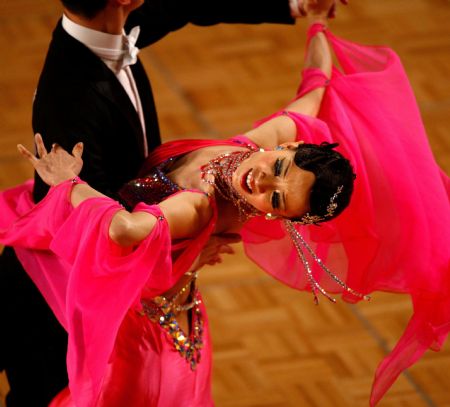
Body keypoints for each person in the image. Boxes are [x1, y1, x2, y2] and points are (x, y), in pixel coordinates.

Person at [1, 0, 449, 405]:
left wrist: (66, 183)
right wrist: (315, 25)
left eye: (274, 199)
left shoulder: (197, 204)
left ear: (277, 216)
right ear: (288, 147)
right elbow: (315, 92)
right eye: (278, 169)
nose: (262, 182)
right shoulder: (258, 145)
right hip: (154, 288)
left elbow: (123, 229)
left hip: (131, 312)